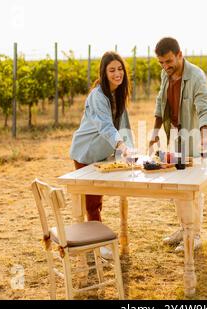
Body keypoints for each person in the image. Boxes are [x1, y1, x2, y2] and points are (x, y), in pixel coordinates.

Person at [149, 37, 207, 253]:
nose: (165, 67)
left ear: (179, 54)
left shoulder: (197, 77)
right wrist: (155, 131)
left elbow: (204, 109)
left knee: (192, 188)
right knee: (178, 186)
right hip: (174, 136)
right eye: (161, 63)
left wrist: (206, 137)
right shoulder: (165, 74)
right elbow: (161, 101)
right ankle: (183, 228)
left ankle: (194, 235)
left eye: (169, 61)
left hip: (193, 139)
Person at [70, 51, 133, 259]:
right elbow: (106, 127)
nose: (117, 73)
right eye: (112, 70)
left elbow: (124, 126)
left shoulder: (119, 93)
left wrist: (130, 151)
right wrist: (122, 146)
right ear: (104, 73)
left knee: (98, 199)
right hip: (86, 152)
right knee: (92, 202)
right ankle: (95, 246)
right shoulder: (98, 96)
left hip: (102, 154)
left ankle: (95, 242)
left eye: (120, 69)